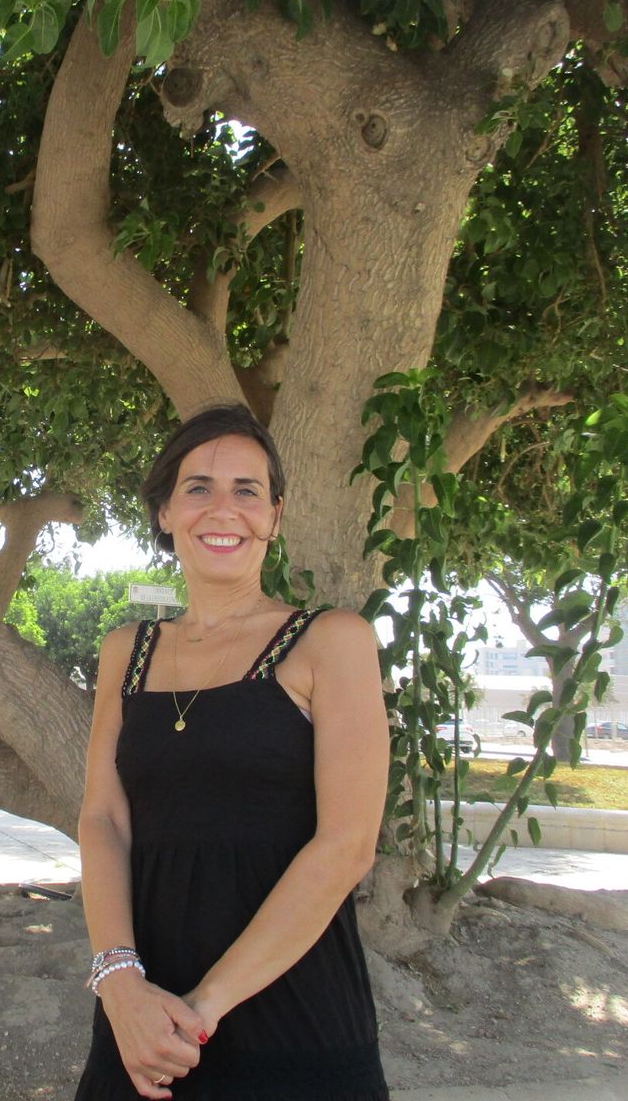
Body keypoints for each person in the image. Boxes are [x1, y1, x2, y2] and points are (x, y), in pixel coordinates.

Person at [73, 405, 392, 1100]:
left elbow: (347, 846)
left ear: (275, 516)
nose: (225, 509)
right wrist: (121, 984)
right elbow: (103, 820)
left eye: (248, 490)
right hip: (139, 1029)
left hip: (296, 1027)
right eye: (199, 487)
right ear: (164, 512)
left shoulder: (331, 642)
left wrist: (202, 1012)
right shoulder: (125, 653)